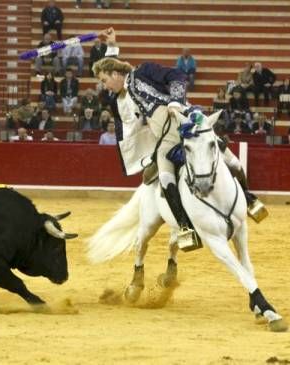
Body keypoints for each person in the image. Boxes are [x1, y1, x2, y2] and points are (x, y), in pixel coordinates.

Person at [92, 28, 266, 249]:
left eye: (104, 80)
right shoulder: (122, 97)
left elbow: (176, 75)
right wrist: (112, 47)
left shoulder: (144, 71)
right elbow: (112, 70)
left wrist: (175, 100)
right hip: (165, 140)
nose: (104, 85)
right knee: (165, 179)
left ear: (115, 75)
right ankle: (185, 228)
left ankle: (249, 199)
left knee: (234, 163)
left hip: (187, 124)